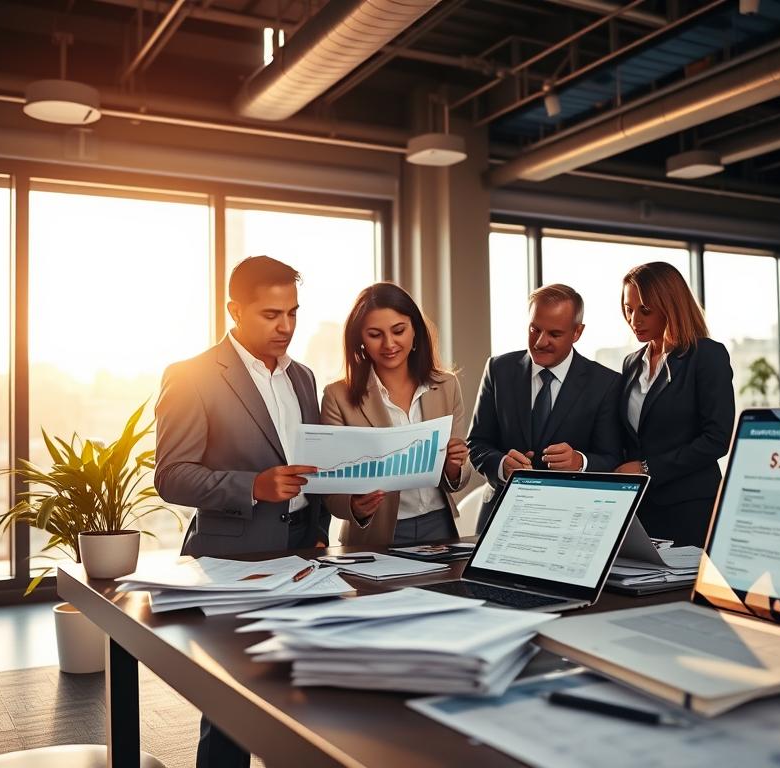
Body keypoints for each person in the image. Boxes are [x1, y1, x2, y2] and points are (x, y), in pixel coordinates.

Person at [154, 255, 329, 768]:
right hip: (231, 564)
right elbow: (171, 475)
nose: (287, 327)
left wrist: (319, 529)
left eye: (293, 313)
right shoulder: (192, 376)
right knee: (231, 710)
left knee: (298, 703)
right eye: (271, 315)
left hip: (303, 559)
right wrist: (252, 486)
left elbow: (307, 465)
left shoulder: (304, 378)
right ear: (234, 310)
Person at [320, 282, 471, 546]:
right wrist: (355, 506)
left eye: (398, 330)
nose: (389, 344)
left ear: (415, 331)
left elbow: (458, 477)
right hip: (374, 534)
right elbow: (330, 491)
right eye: (375, 334)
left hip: (439, 527)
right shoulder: (337, 396)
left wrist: (454, 467)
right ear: (360, 340)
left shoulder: (446, 386)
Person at [467, 283, 623, 532]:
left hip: (571, 521)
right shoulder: (498, 370)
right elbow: (476, 443)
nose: (540, 342)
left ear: (577, 332)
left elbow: (613, 457)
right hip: (500, 516)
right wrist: (502, 465)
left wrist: (579, 462)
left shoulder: (606, 383)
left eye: (554, 334)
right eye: (534, 329)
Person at [615, 261, 735, 548]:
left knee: (680, 590)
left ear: (669, 306)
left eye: (645, 310)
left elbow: (717, 439)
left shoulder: (707, 355)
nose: (634, 320)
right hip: (640, 507)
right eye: (628, 309)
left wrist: (647, 468)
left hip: (689, 508)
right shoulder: (631, 363)